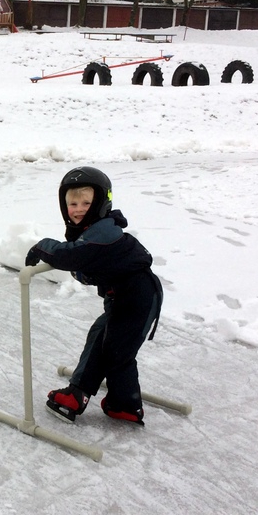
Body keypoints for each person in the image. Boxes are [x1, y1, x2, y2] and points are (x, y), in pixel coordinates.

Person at [25, 167, 162, 425]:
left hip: (137, 298)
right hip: (122, 299)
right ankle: (82, 392)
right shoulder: (92, 231)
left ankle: (126, 405)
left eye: (86, 203)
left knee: (117, 351)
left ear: (100, 203)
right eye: (72, 203)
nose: (78, 209)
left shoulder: (103, 232)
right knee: (100, 338)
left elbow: (70, 256)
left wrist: (42, 246)